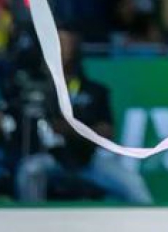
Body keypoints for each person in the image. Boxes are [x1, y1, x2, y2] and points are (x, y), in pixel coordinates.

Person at [15, 27, 153, 203]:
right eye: (55, 43)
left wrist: (71, 129)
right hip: (52, 157)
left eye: (64, 43)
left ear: (75, 48)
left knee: (134, 184)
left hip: (89, 159)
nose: (59, 49)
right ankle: (32, 219)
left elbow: (106, 132)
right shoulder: (36, 89)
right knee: (29, 170)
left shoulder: (94, 90)